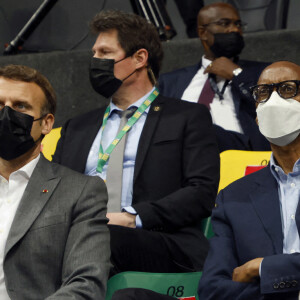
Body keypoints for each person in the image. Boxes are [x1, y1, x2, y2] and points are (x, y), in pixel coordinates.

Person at [53, 10, 220, 274]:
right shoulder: (77, 127)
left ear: (139, 58)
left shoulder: (186, 117)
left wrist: (132, 217)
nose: (95, 60)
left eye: (105, 53)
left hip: (158, 239)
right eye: (94, 54)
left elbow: (201, 193)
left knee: (99, 238)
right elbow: (53, 190)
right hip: (76, 234)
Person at [0, 64, 110, 300]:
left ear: (47, 123)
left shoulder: (81, 192)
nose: (6, 114)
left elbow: (85, 284)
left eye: (20, 106)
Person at [198, 61, 300, 299]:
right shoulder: (233, 197)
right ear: (256, 117)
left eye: (287, 89)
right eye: (263, 93)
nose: (273, 102)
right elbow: (212, 289)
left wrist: (262, 268)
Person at [159, 2, 270, 152]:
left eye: (238, 24)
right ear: (202, 33)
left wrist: (238, 75)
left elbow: (275, 114)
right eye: (224, 23)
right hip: (184, 162)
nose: (234, 29)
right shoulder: (170, 82)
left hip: (244, 159)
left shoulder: (265, 72)